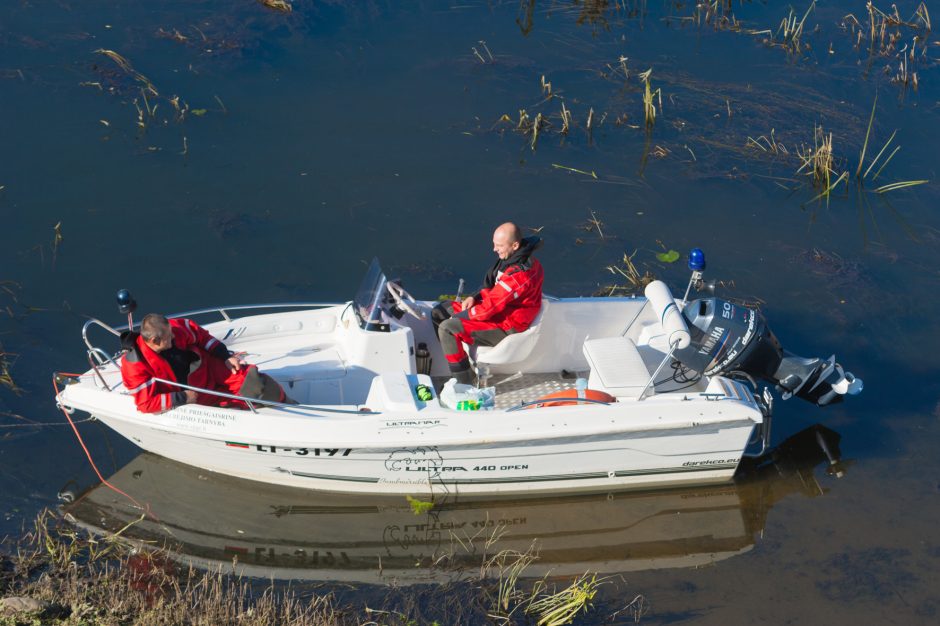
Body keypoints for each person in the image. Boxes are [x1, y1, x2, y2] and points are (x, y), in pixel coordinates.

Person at [432, 222, 543, 385]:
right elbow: (491, 287)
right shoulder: (512, 258)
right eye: (494, 244)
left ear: (515, 245)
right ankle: (456, 363)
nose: (494, 249)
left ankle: (465, 383)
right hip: (498, 311)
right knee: (439, 312)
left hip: (506, 325)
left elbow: (486, 310)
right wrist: (474, 297)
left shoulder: (518, 276)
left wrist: (459, 316)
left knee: (447, 328)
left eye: (499, 245)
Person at [120, 313, 291, 413]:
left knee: (256, 382)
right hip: (195, 394)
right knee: (233, 411)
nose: (174, 335)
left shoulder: (176, 329)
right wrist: (183, 397)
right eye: (168, 337)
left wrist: (225, 356)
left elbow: (203, 338)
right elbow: (145, 404)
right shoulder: (135, 366)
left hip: (208, 369)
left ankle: (288, 407)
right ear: (155, 340)